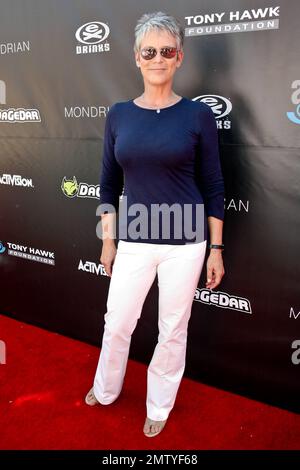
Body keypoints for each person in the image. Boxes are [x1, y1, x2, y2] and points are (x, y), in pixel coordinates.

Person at [85, 11, 225, 438]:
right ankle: (106, 389)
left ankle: (159, 404)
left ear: (179, 57)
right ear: (137, 58)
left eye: (168, 50)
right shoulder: (120, 114)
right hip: (135, 238)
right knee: (118, 321)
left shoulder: (198, 116)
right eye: (150, 51)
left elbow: (215, 184)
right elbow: (108, 183)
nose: (159, 58)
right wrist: (109, 241)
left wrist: (216, 249)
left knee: (172, 329)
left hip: (186, 243)